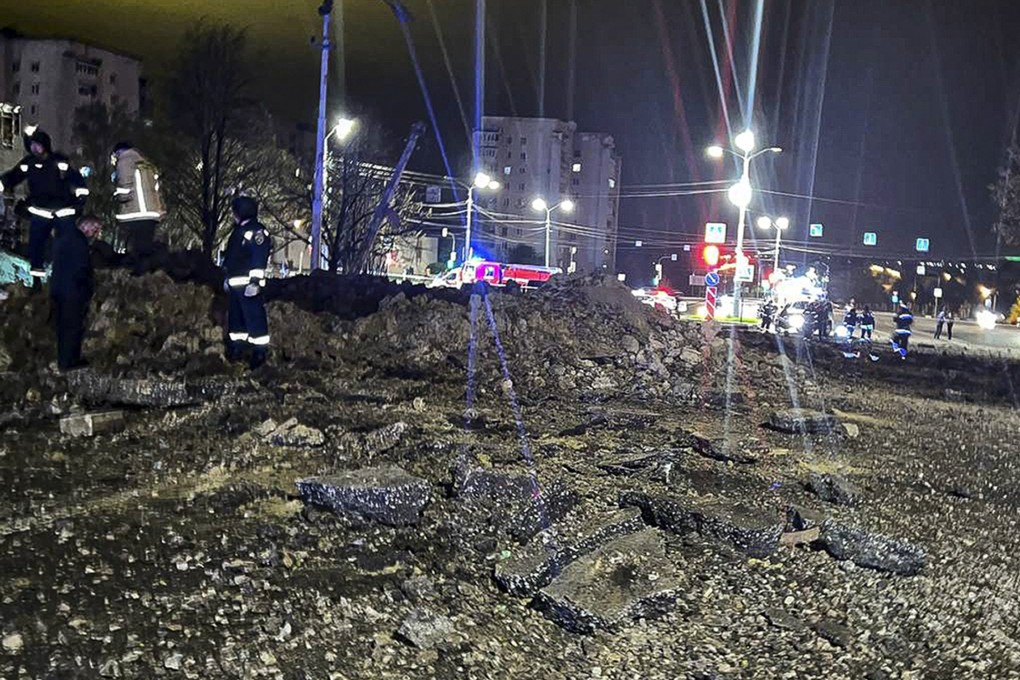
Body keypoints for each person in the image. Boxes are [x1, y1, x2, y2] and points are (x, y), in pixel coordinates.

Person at [0, 127, 88, 285]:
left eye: (37, 145)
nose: (34, 148)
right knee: (36, 247)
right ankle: (36, 282)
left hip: (63, 211)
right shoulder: (29, 163)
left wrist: (81, 199)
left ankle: (69, 276)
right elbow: (13, 177)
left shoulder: (59, 161)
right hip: (40, 211)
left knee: (66, 245)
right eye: (32, 145)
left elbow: (77, 179)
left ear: (45, 145)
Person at [223, 196, 272, 369]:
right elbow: (232, 258)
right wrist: (227, 279)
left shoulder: (256, 232)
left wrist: (255, 282)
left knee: (254, 318)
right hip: (236, 284)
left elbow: (259, 259)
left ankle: (259, 352)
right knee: (237, 320)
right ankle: (237, 348)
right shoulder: (239, 231)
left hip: (248, 285)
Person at [50, 215, 99, 371]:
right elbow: (81, 268)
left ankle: (65, 360)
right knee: (72, 326)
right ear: (85, 226)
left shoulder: (62, 238)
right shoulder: (79, 241)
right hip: (72, 291)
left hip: (59, 289)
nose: (95, 232)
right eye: (94, 228)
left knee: (63, 327)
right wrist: (87, 288)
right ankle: (69, 362)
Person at [112, 141, 164, 275]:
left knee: (136, 250)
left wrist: (119, 198)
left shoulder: (125, 161)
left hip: (135, 213)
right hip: (151, 213)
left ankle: (137, 277)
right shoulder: (146, 164)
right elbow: (156, 189)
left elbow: (124, 185)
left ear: (119, 152)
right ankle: (149, 275)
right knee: (146, 248)